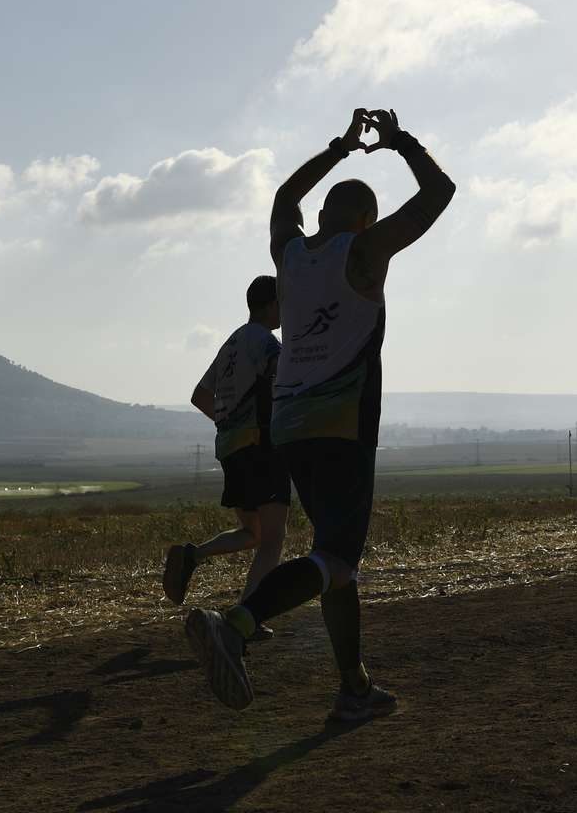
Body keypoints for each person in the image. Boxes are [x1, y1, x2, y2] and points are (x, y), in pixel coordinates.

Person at [186, 108, 454, 723]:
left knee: (337, 561)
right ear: (366, 219)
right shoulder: (364, 250)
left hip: (290, 428)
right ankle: (237, 624)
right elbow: (440, 192)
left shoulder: (290, 255)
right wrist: (397, 141)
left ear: (323, 212)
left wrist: (338, 147)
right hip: (343, 428)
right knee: (334, 558)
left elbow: (284, 196)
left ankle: (353, 687)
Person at [161, 276, 289, 639]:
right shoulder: (266, 343)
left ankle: (194, 556)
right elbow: (281, 383)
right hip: (262, 448)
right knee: (273, 539)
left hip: (231, 448)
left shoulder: (231, 342)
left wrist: (229, 422)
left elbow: (200, 395)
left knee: (253, 532)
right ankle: (245, 619)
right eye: (282, 302)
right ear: (268, 305)